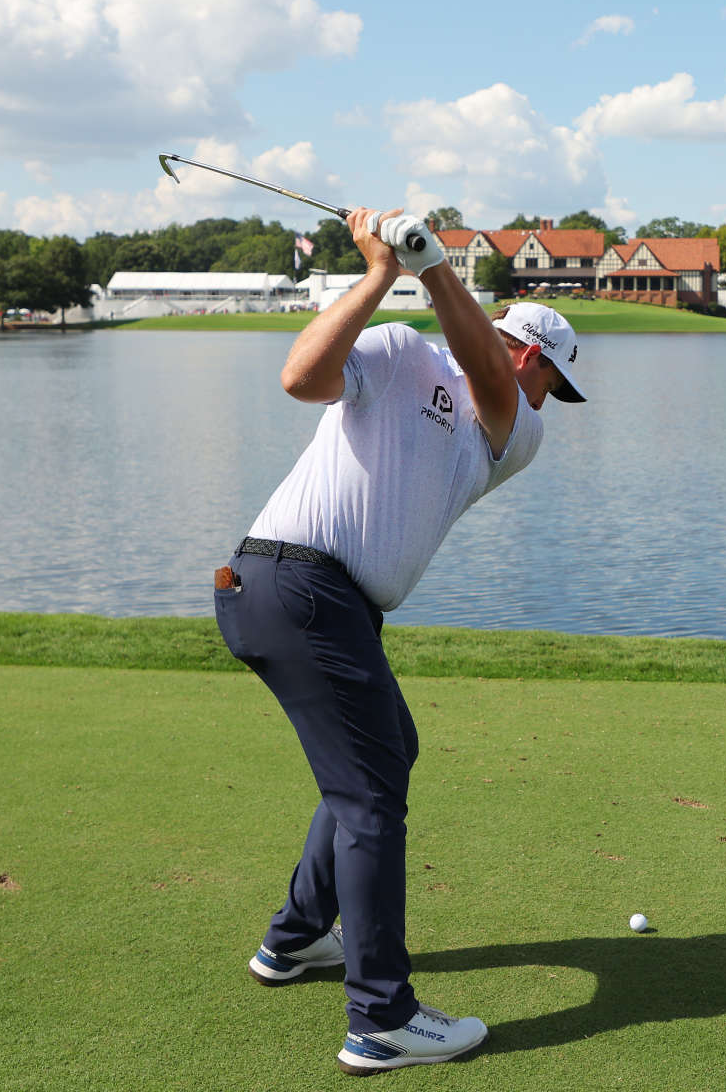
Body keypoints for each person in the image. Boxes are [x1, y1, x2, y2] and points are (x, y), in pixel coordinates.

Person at [212, 205, 585, 1075]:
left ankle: (296, 939)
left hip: (319, 601)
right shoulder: (399, 348)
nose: (547, 403)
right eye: (551, 382)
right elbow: (300, 378)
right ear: (532, 353)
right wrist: (384, 273)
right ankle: (382, 1016)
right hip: (294, 585)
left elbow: (492, 386)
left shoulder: (511, 430)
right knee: (373, 795)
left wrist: (438, 267)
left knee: (384, 757)